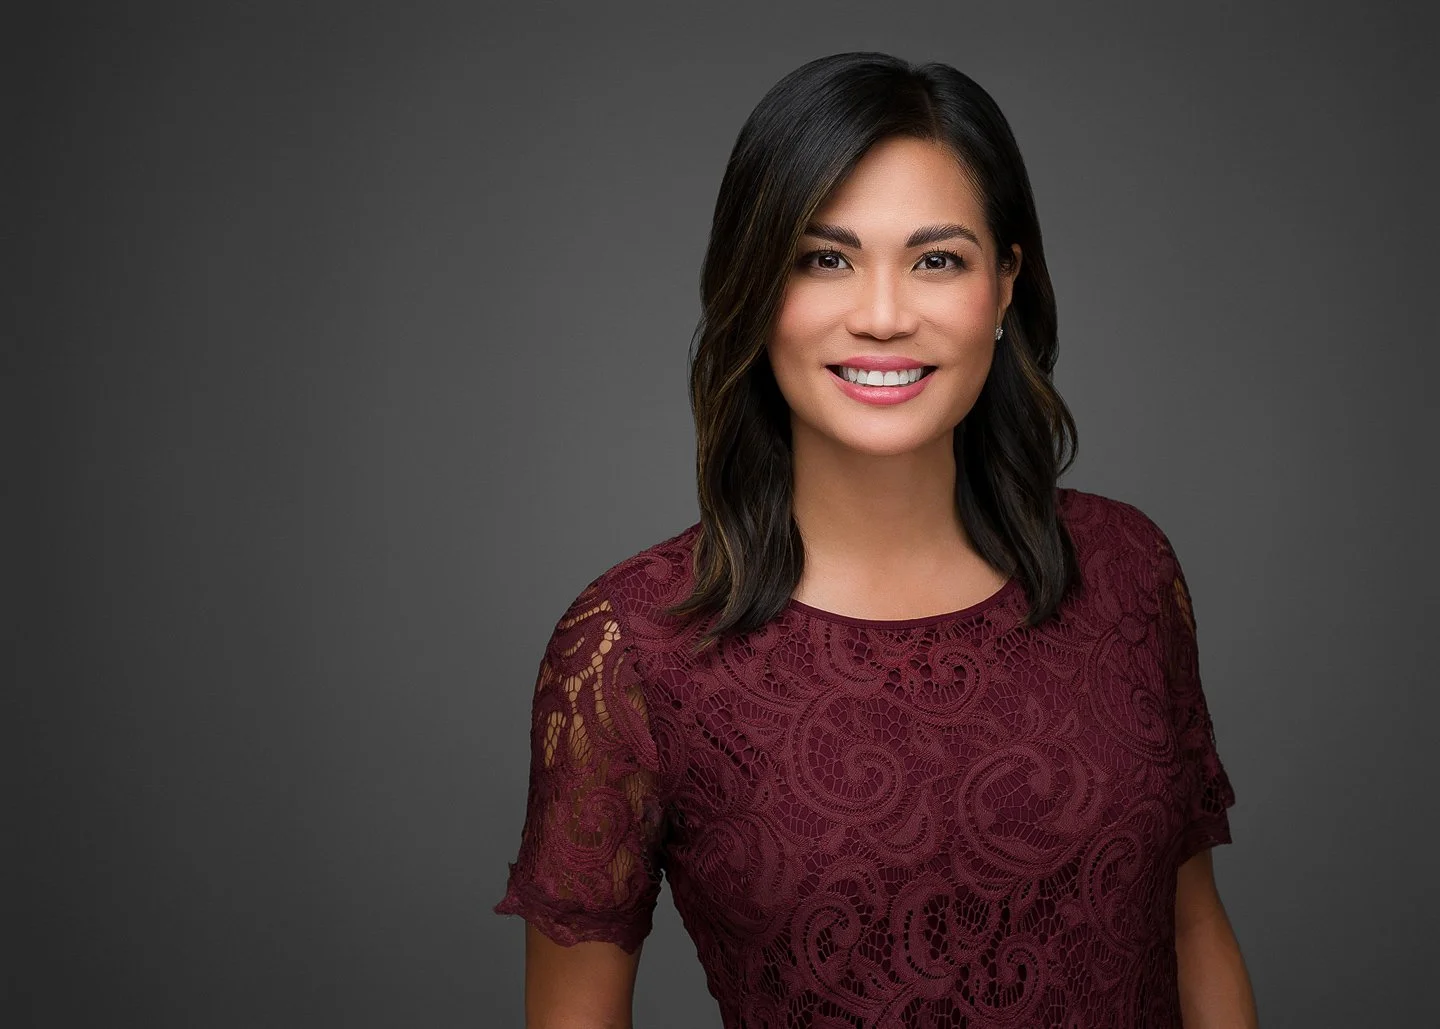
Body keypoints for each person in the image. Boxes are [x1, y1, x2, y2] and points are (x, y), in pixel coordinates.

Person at [495, 51, 1258, 1029]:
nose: (885, 315)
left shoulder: (1126, 570)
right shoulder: (630, 653)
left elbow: (1194, 936)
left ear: (1006, 283)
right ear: (755, 289)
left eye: (937, 259)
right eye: (824, 259)